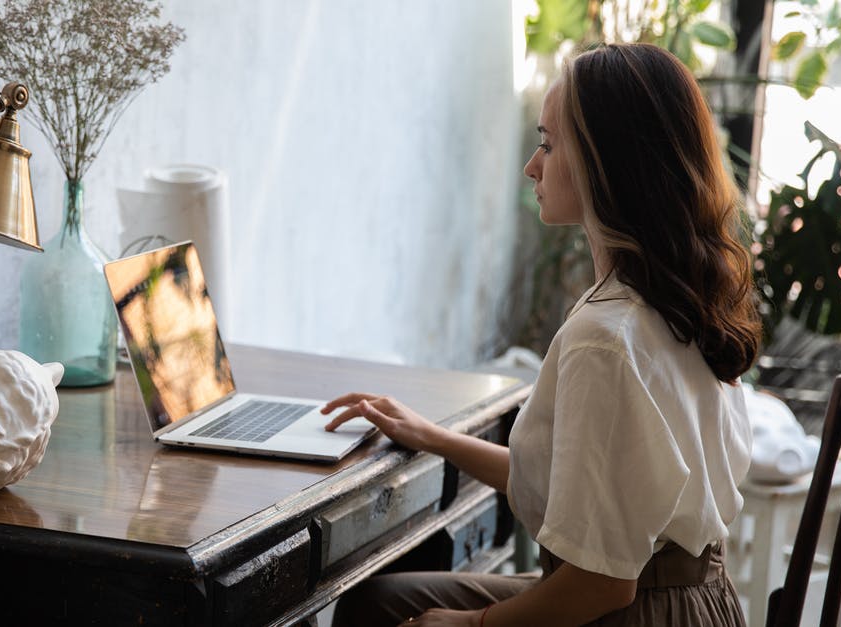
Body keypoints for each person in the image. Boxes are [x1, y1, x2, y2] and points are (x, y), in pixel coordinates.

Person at [322, 42, 762, 627]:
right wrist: (433, 436)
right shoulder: (673, 299)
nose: (532, 165)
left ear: (609, 165)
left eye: (549, 145)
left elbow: (603, 584)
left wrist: (471, 626)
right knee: (376, 604)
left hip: (634, 610)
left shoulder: (605, 338)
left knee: (379, 612)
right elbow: (586, 493)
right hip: (699, 602)